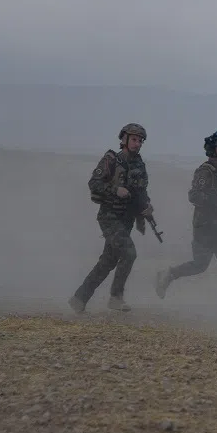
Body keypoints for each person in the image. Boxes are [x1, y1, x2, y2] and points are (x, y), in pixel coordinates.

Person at [154, 130, 217, 314]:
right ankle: (169, 274)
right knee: (200, 265)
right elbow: (194, 195)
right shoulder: (206, 171)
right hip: (206, 228)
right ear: (212, 149)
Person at [69, 123, 153, 314]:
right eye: (134, 139)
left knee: (108, 261)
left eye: (140, 141)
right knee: (129, 253)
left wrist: (147, 206)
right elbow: (94, 183)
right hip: (110, 216)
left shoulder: (139, 164)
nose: (138, 144)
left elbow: (141, 191)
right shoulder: (111, 159)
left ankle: (79, 298)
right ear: (124, 139)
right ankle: (116, 297)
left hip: (126, 219)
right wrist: (115, 189)